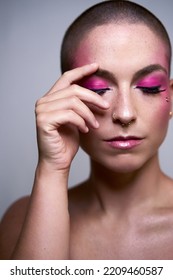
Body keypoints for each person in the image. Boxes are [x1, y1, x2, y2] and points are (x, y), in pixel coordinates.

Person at [0, 0, 173, 260]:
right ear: (67, 98)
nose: (125, 114)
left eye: (148, 87)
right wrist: (52, 170)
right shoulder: (23, 220)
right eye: (98, 89)